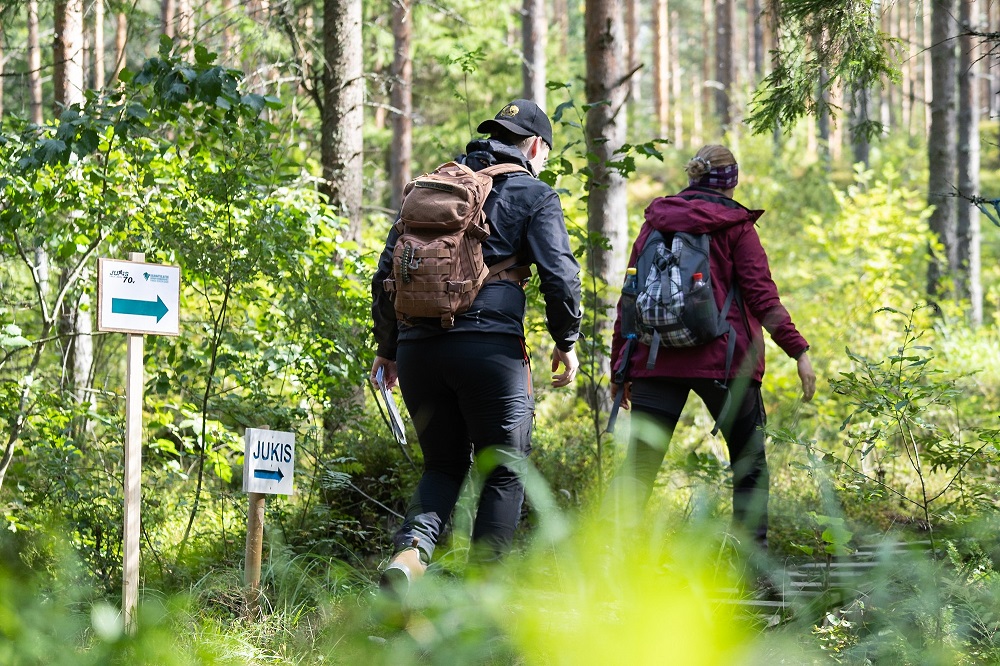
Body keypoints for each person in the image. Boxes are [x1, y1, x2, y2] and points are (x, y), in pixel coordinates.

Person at [370, 98, 583, 590]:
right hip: (489, 352)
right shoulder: (534, 194)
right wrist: (565, 340)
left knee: (443, 466)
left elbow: (387, 274)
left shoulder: (432, 191)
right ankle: (481, 596)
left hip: (419, 349)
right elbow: (561, 277)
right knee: (505, 470)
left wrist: (389, 347)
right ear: (533, 145)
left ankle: (407, 561)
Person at [606, 144, 816, 551]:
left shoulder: (656, 223)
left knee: (639, 468)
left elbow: (630, 295)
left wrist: (621, 368)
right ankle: (751, 566)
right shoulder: (736, 226)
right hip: (725, 362)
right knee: (749, 465)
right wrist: (799, 351)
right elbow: (761, 296)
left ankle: (615, 563)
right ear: (731, 182)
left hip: (655, 358)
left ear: (693, 177)